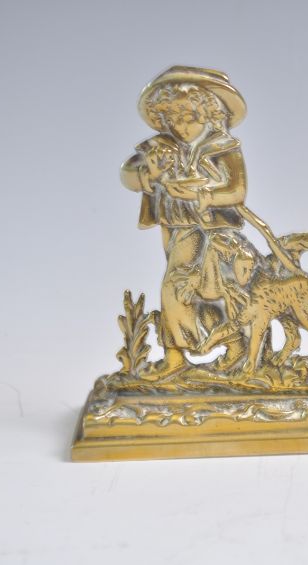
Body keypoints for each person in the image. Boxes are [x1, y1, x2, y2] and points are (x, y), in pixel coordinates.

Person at [120, 66, 251, 379]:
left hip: (208, 229)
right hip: (174, 227)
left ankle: (177, 356)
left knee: (178, 287)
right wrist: (150, 174)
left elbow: (237, 190)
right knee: (195, 290)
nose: (181, 126)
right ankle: (234, 343)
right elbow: (127, 175)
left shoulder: (222, 147)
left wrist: (202, 195)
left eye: (190, 117)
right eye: (173, 119)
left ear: (209, 114)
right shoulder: (161, 148)